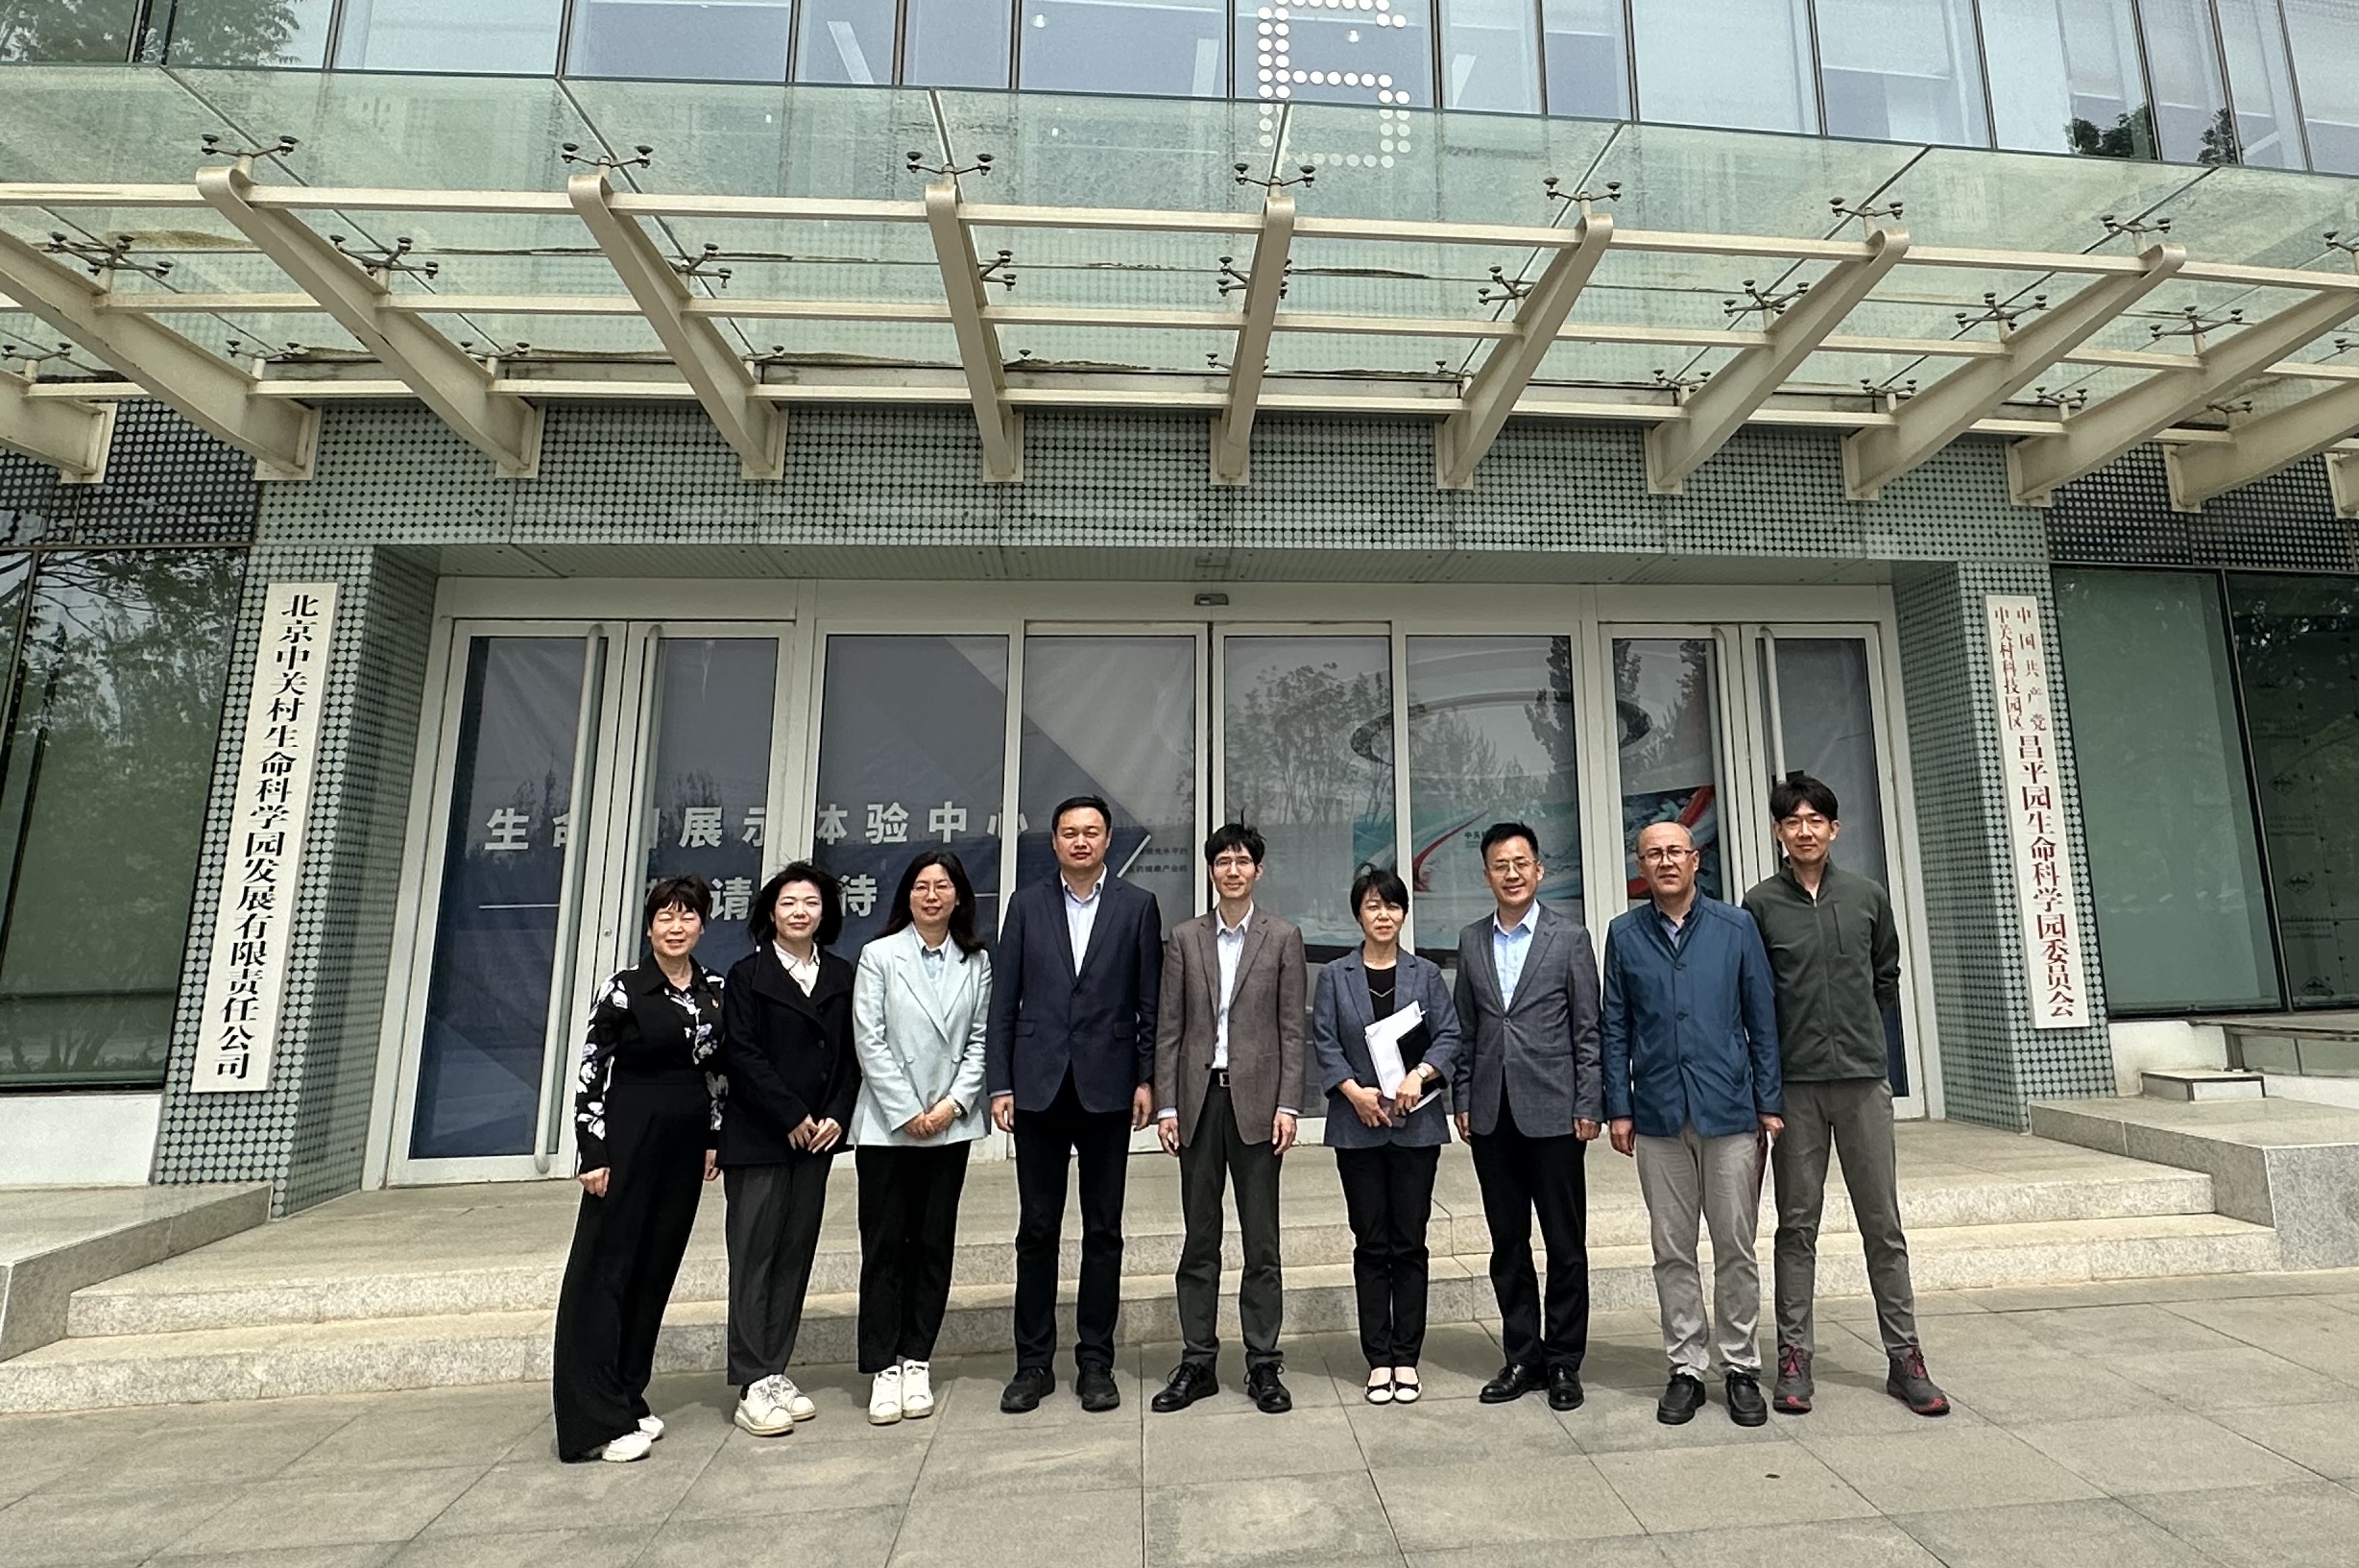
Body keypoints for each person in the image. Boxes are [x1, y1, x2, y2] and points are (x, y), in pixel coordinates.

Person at [1742, 774, 1947, 1418]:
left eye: (1815, 820)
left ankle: (1905, 1357)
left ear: (1834, 828)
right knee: (1796, 1224)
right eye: (1792, 821)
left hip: (1861, 1081)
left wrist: (1857, 1031)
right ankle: (1793, 1357)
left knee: (1881, 1224)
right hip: (1795, 1088)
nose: (1804, 830)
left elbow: (1885, 973)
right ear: (1778, 832)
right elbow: (1755, 995)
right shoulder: (1759, 905)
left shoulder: (1866, 896)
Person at [1602, 821, 1783, 1428]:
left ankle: (1740, 1366)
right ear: (1641, 866)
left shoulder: (1735, 927)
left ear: (1696, 859)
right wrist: (1619, 1107)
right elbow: (1615, 1027)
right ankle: (1685, 1366)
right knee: (1672, 1249)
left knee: (1736, 1246)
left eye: (1675, 851)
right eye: (1653, 854)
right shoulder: (1624, 935)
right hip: (1657, 1115)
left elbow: (1762, 1019)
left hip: (1728, 1111)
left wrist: (1768, 1101)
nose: (1665, 862)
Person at [988, 794, 1164, 1414]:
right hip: (1038, 1086)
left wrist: (1146, 1079)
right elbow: (1003, 999)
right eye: (1069, 832)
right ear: (1055, 841)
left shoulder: (1137, 906)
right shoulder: (1026, 904)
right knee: (1036, 1228)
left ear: (1108, 839)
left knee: (1103, 1229)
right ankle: (1032, 1363)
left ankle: (1096, 1362)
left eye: (1091, 831)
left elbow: (1149, 1002)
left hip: (1108, 1086)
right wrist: (1000, 1083)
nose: (1080, 841)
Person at [552, 875, 725, 1463]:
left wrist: (713, 1137)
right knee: (604, 1274)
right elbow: (591, 1071)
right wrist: (592, 1151)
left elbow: (716, 1072)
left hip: (683, 1146)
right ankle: (594, 1420)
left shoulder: (714, 989)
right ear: (649, 927)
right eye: (665, 917)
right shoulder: (623, 990)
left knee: (654, 1271)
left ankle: (628, 1393)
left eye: (687, 916)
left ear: (703, 924)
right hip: (627, 1139)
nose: (676, 927)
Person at [1150, 823, 1310, 1416]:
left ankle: (1263, 1362)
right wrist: (1168, 1105)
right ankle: (1197, 1360)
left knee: (1261, 1241)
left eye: (1243, 861)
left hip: (1259, 1107)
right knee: (1199, 1238)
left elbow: (1291, 1030)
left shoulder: (1283, 937)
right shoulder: (1184, 938)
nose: (1233, 870)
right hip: (1199, 1103)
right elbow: (1170, 1030)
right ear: (1211, 871)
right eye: (1223, 861)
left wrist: (1288, 1104)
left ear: (1258, 871)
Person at [1450, 822, 1603, 1413]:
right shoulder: (1471, 940)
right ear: (1486, 874)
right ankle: (1522, 1356)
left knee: (1565, 1244)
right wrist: (1463, 1098)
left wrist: (1589, 1103)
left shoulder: (1570, 938)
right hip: (1493, 1114)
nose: (1511, 874)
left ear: (1539, 870)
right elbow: (1466, 1028)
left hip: (1556, 1114)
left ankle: (1563, 1361)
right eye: (1500, 865)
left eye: (1521, 863)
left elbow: (1587, 1029)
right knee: (1507, 1243)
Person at [850, 851, 993, 1427]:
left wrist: (953, 1104)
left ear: (959, 896)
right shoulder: (879, 955)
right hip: (888, 1127)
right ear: (906, 895)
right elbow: (869, 1037)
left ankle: (917, 1358)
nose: (931, 896)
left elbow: (980, 1040)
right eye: (921, 886)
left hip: (948, 1124)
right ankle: (882, 1365)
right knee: (885, 1245)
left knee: (934, 1244)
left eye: (942, 886)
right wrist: (908, 1111)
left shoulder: (976, 961)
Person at [716, 862, 858, 1437]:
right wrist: (792, 1115)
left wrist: (835, 1117)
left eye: (811, 903)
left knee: (794, 1256)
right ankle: (751, 1380)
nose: (800, 912)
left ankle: (775, 1370)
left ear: (826, 913)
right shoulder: (747, 975)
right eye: (788, 903)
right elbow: (741, 1054)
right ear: (770, 913)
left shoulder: (842, 974)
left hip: (817, 1140)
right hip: (761, 1138)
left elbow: (852, 1058)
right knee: (754, 1258)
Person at [1312, 866, 1461, 1406]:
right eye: (1373, 905)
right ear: (1359, 913)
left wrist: (1421, 1074)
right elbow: (1324, 1040)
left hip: (1415, 1128)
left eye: (1392, 905)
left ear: (1404, 913)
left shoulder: (1426, 974)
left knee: (1410, 1242)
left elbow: (1450, 1035)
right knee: (1372, 1242)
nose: (1383, 915)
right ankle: (1378, 1358)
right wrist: (1353, 1092)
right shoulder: (1335, 976)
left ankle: (1407, 1356)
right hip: (1358, 1128)